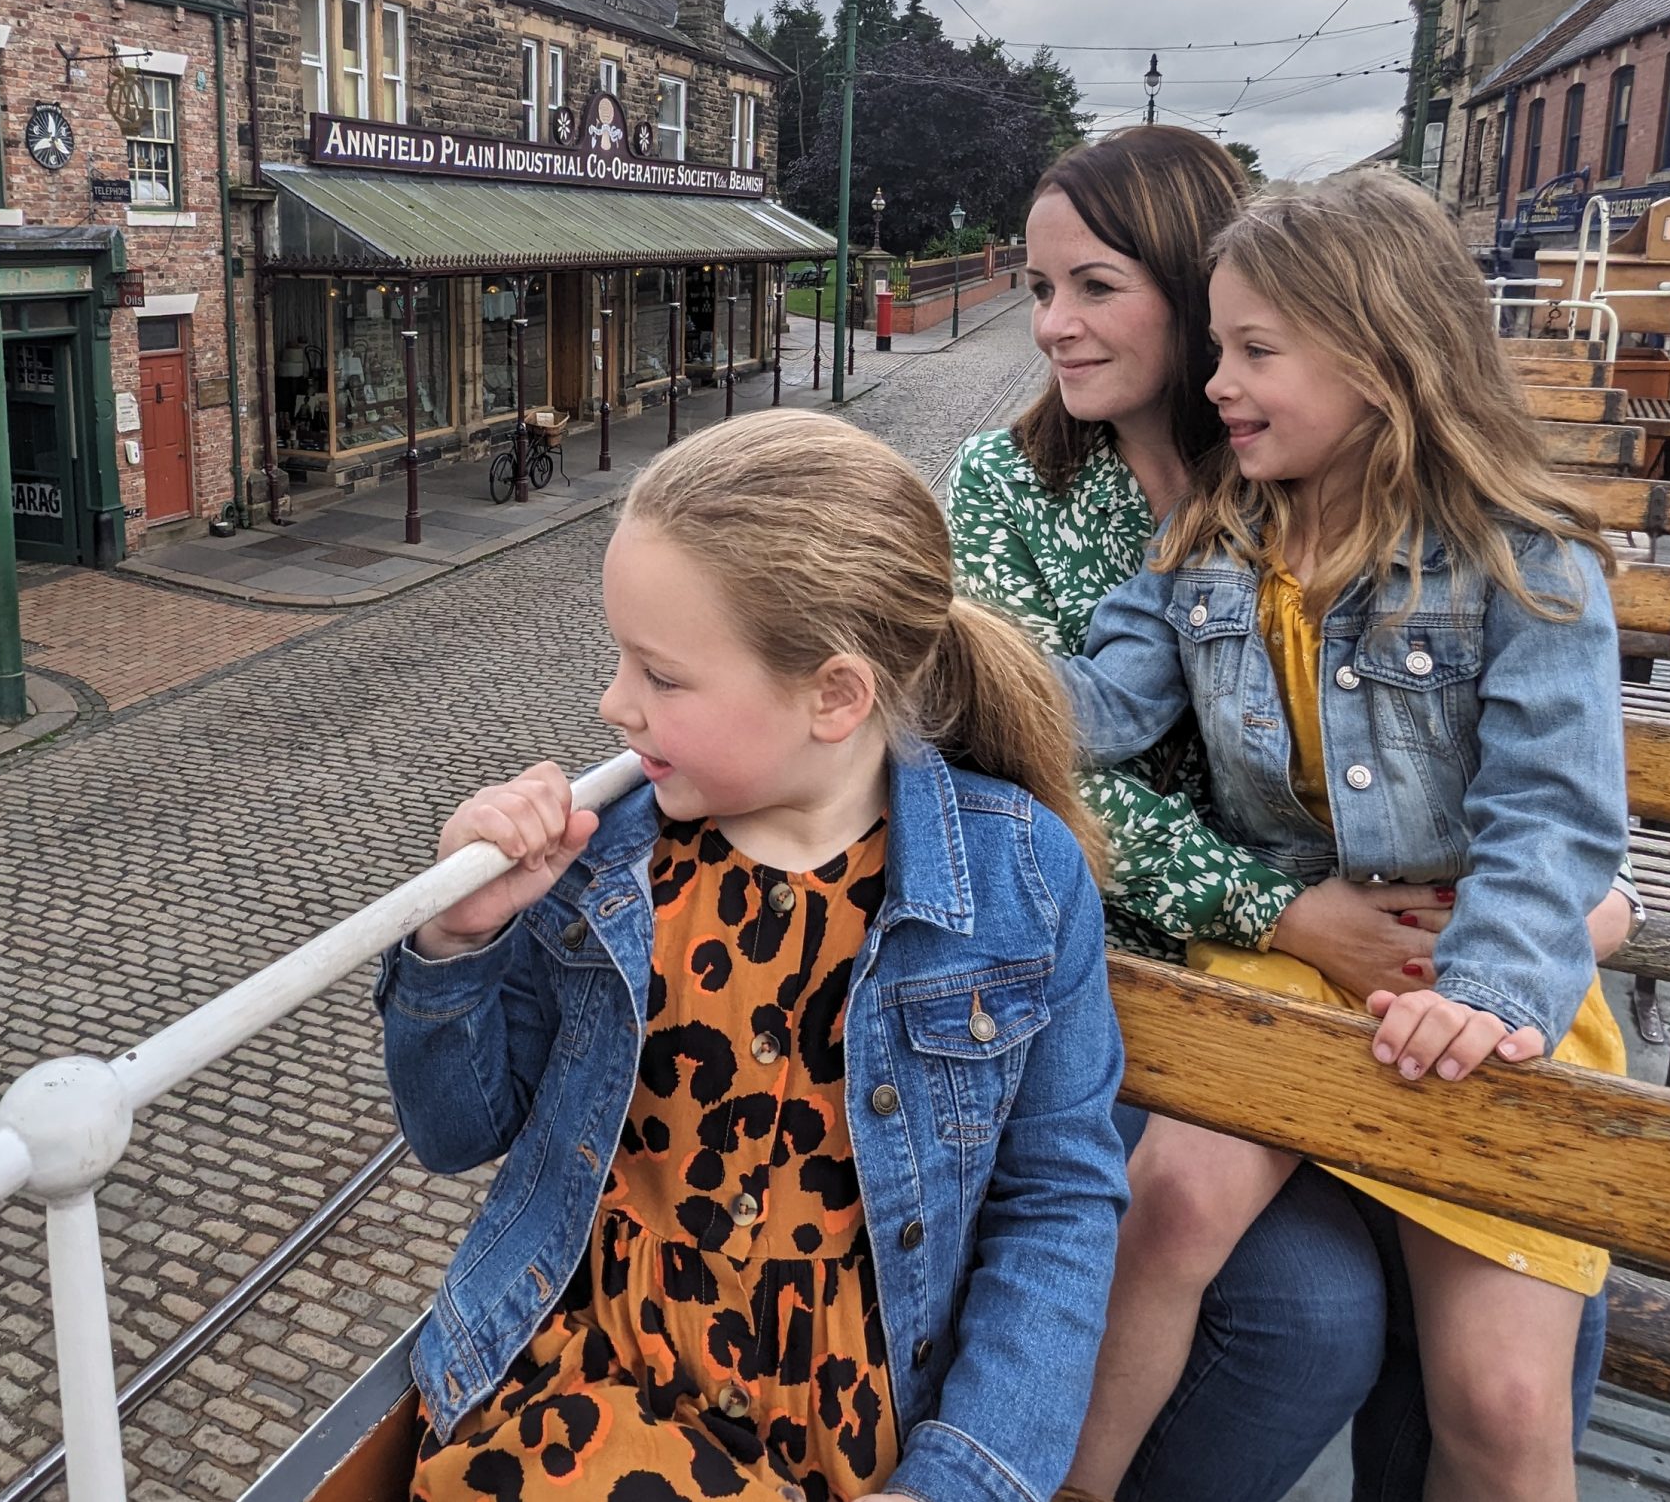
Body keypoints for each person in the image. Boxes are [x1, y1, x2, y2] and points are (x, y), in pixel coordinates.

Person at [946, 125, 1627, 1501]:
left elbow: (1554, 816)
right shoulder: (1212, 538)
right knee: (1178, 1200)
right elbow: (1093, 707)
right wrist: (926, 666)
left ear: (1376, 360)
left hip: (1453, 972)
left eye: (1249, 350)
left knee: (1502, 1396)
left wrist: (1495, 977)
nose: (1219, 381)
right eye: (1220, 351)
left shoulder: (1520, 560)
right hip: (1281, 962)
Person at [382, 411, 1129, 1502]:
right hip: (579, 1398)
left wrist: (964, 1478)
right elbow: (454, 1133)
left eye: (660, 675)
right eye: (619, 659)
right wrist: (461, 934)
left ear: (834, 694)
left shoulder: (1021, 878)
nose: (613, 703)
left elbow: (1056, 1201)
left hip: (855, 1443)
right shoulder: (608, 868)